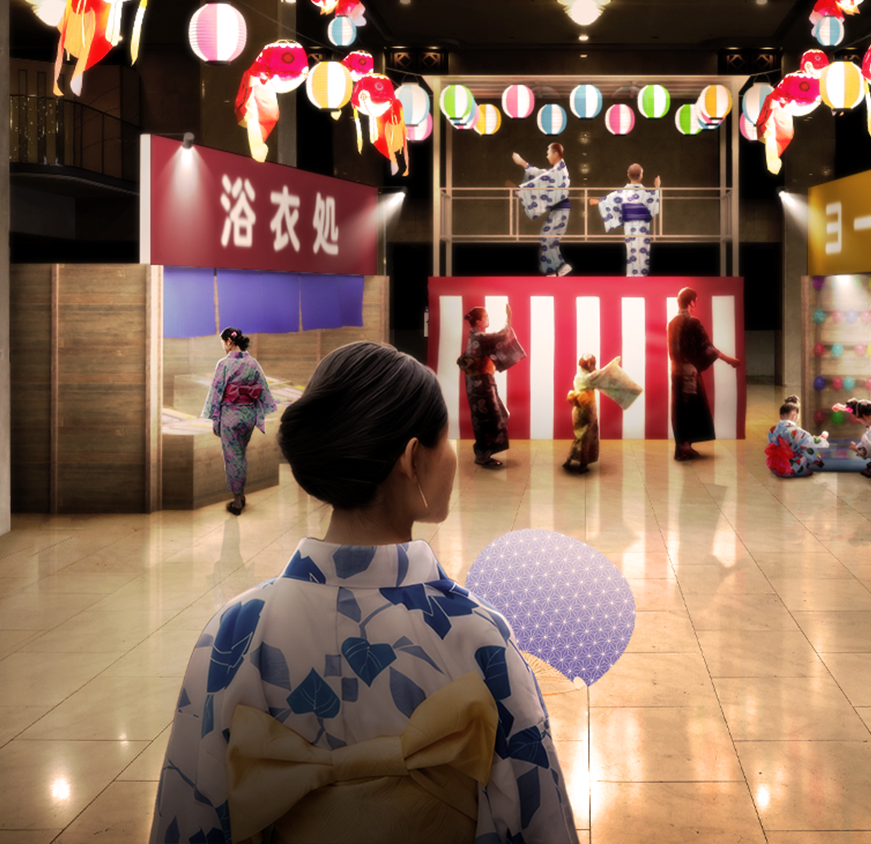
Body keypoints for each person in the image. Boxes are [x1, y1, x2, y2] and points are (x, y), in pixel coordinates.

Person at [151, 342, 577, 844]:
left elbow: (190, 814)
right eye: (446, 439)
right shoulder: (476, 634)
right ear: (412, 458)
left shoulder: (235, 631)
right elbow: (538, 821)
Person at [202, 327, 277, 515]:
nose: (222, 346)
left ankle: (237, 502)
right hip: (248, 416)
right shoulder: (253, 363)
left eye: (222, 342)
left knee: (232, 457)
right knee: (240, 455)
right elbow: (263, 388)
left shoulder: (224, 364)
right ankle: (241, 494)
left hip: (230, 417)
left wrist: (214, 418)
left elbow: (216, 392)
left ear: (229, 341)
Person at [668, 286, 743, 460]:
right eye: (695, 300)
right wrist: (729, 360)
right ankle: (684, 447)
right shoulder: (693, 322)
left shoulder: (671, 323)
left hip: (675, 371)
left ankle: (682, 447)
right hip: (688, 372)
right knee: (690, 407)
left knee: (679, 407)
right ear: (692, 301)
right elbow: (708, 348)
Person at [459, 303, 525, 469]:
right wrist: (508, 319)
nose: (488, 319)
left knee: (500, 415)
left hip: (483, 382)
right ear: (479, 322)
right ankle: (482, 455)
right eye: (486, 316)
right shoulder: (479, 337)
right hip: (480, 385)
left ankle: (483, 452)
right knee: (488, 420)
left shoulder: (477, 336)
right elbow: (501, 335)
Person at [590, 163, 661, 276]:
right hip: (643, 228)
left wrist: (598, 202)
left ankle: (632, 278)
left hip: (630, 228)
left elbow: (608, 201)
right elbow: (656, 203)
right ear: (641, 175)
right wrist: (657, 187)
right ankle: (642, 277)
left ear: (628, 175)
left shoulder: (622, 193)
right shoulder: (647, 194)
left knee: (632, 253)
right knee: (643, 253)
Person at [513, 143, 572, 276]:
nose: (546, 155)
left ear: (555, 153)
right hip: (559, 209)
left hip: (561, 209)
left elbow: (541, 178)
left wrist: (521, 190)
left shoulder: (559, 170)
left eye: (548, 152)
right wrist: (523, 163)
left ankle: (558, 267)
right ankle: (557, 268)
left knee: (546, 238)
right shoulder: (558, 169)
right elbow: (542, 174)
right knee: (550, 239)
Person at [765, 395, 828, 477]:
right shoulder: (797, 432)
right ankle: (809, 468)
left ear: (781, 416)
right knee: (809, 447)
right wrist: (823, 437)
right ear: (794, 415)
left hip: (774, 467)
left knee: (802, 444)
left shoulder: (772, 430)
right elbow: (813, 443)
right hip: (790, 469)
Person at [564, 354, 602, 474]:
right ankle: (583, 464)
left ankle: (569, 460)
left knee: (580, 435)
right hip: (588, 408)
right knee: (587, 435)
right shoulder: (589, 378)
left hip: (578, 409)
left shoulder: (579, 376)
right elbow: (600, 381)